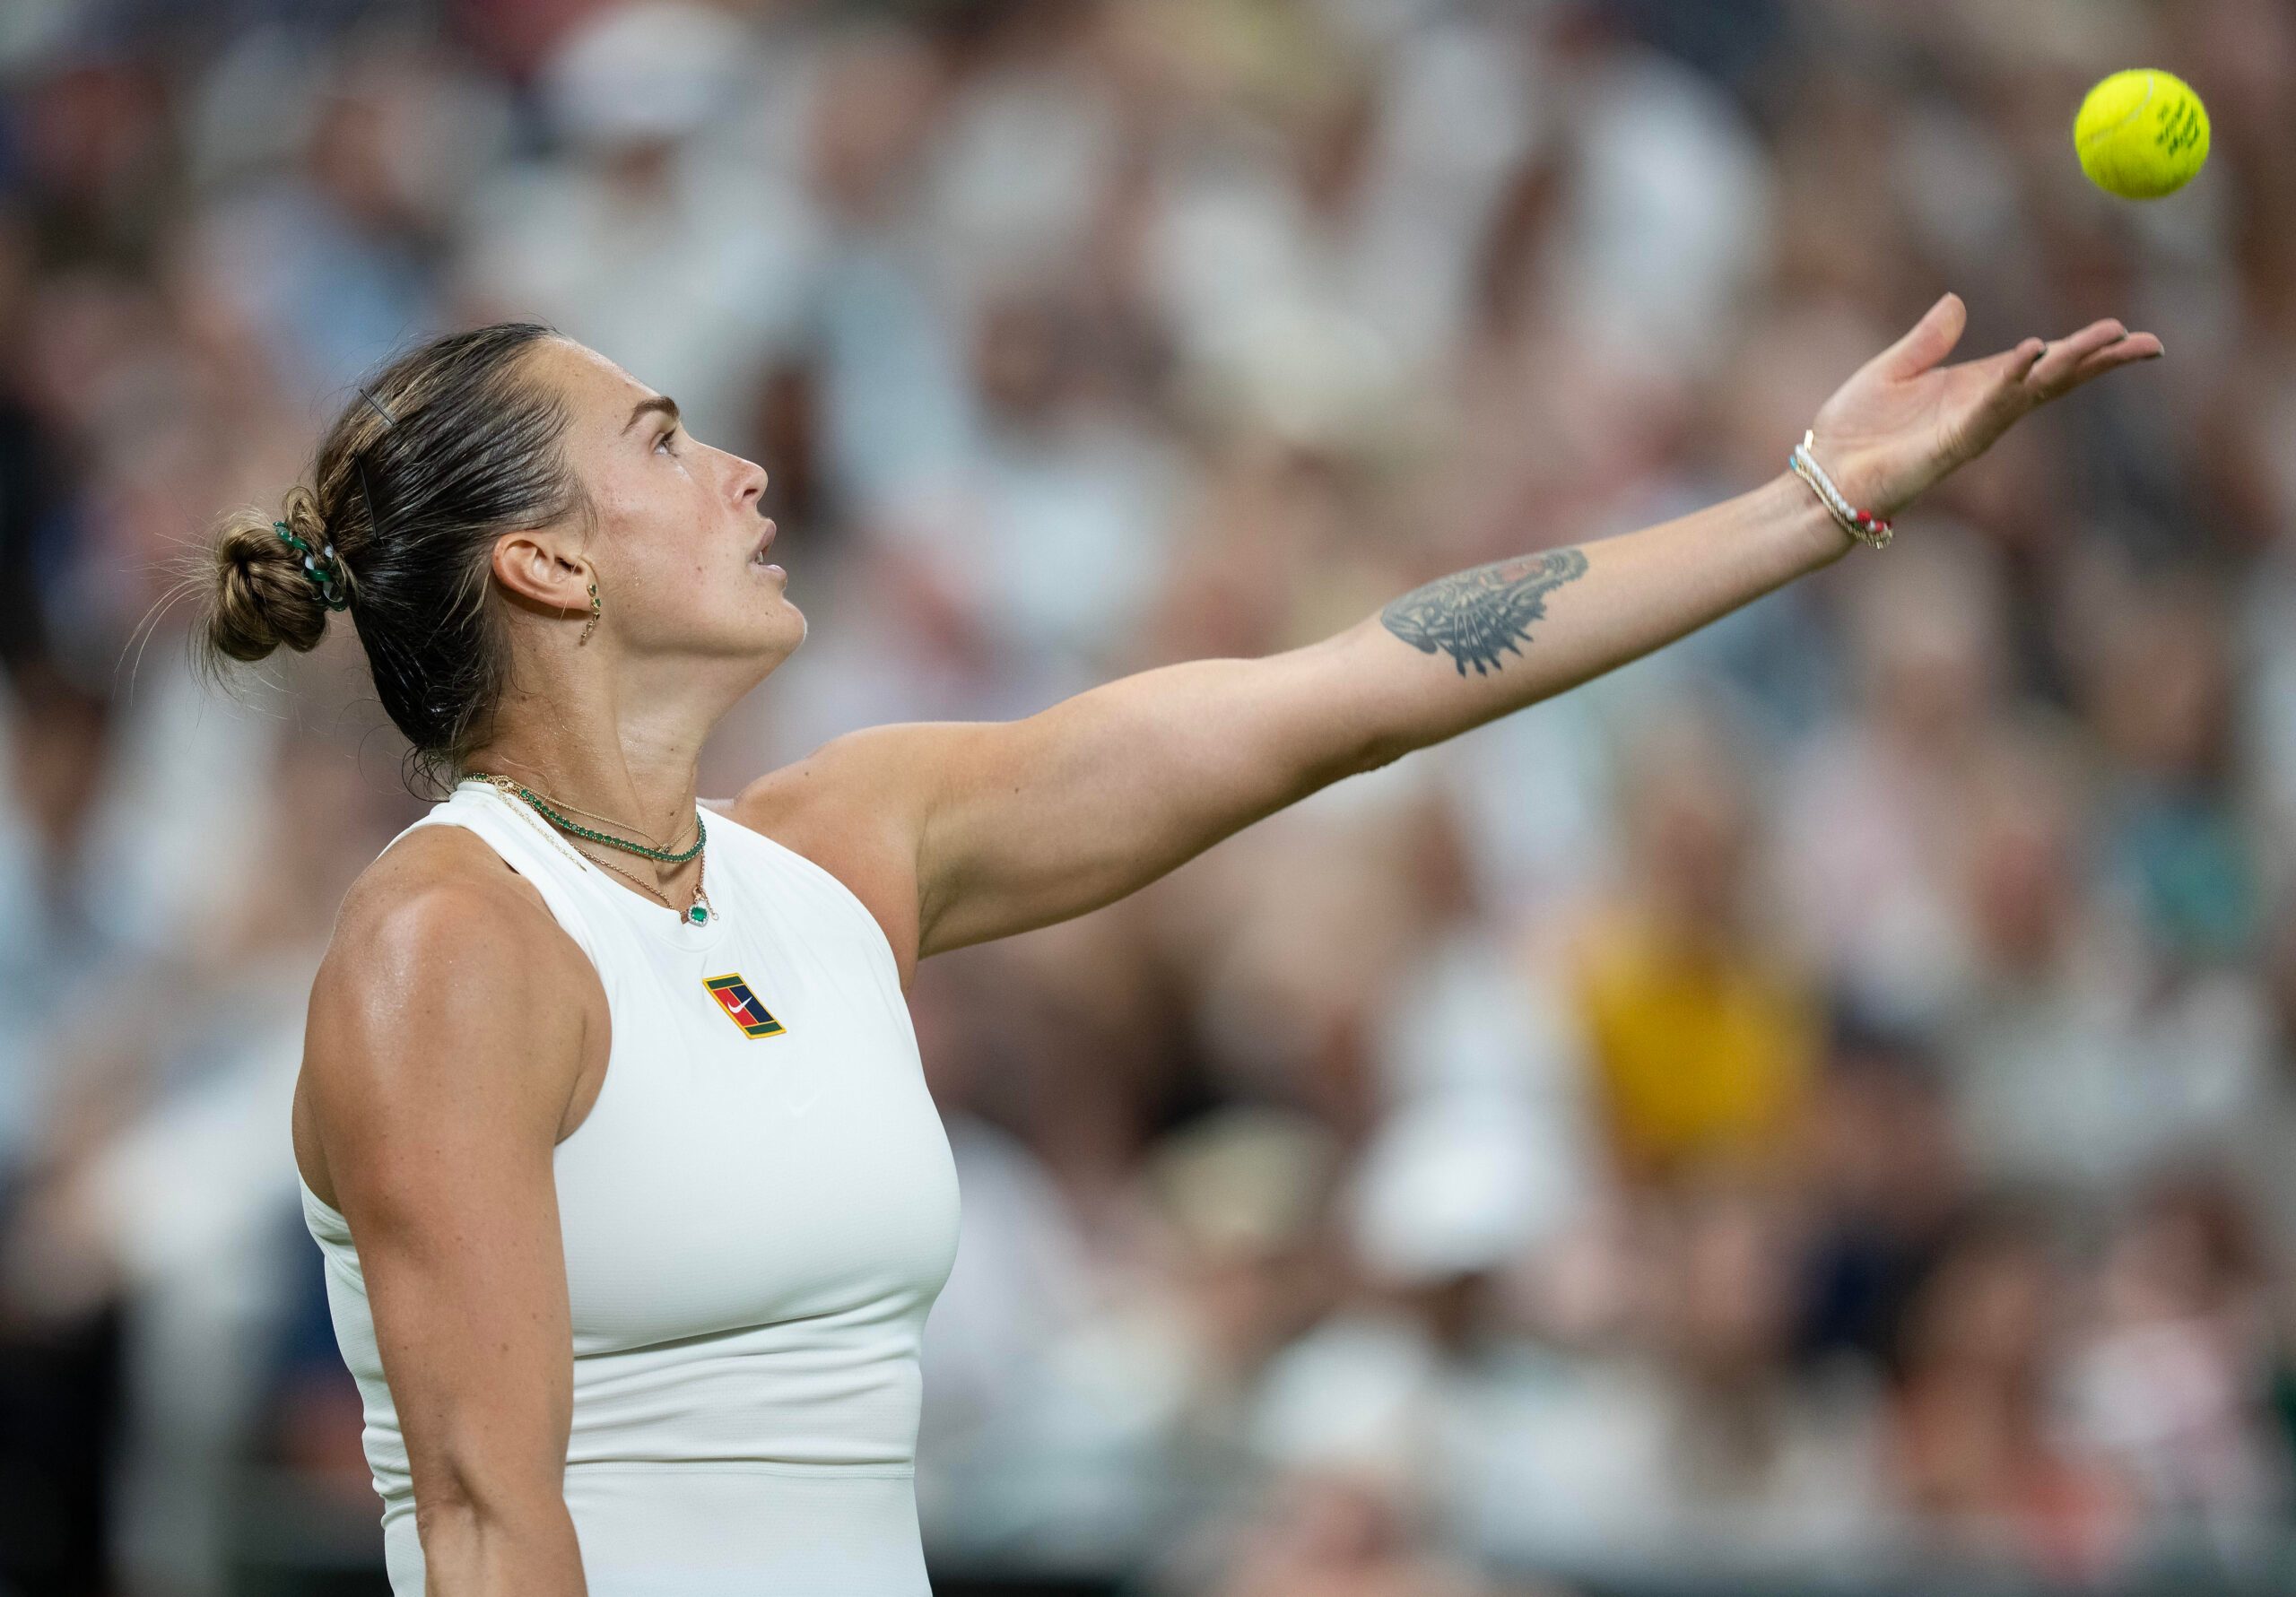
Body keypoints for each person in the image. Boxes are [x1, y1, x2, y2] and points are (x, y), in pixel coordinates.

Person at [197, 294, 2157, 1594]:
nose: (741, 471)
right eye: (659, 442)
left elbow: (1359, 689)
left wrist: (1803, 505)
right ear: (542, 565)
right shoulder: (445, 940)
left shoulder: (841, 854)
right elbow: (482, 1517)